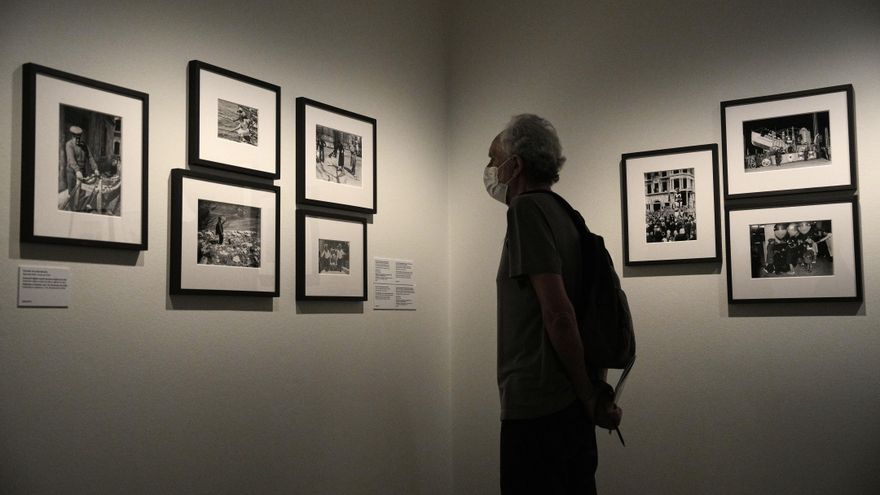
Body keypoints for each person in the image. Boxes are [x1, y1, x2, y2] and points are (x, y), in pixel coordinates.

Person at [484, 114, 622, 494]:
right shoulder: (567, 215)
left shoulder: (526, 211)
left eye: (495, 161)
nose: (491, 171)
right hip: (568, 409)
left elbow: (559, 314)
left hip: (538, 408)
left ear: (517, 165)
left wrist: (587, 394)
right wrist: (589, 393)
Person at [62, 125, 99, 209]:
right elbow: (71, 159)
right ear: (73, 136)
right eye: (76, 138)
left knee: (82, 192)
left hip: (83, 171)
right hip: (72, 172)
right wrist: (77, 170)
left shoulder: (84, 145)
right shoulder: (69, 144)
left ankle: (79, 208)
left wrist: (95, 168)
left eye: (79, 138)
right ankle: (72, 210)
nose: (78, 140)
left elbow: (90, 157)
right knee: (72, 192)